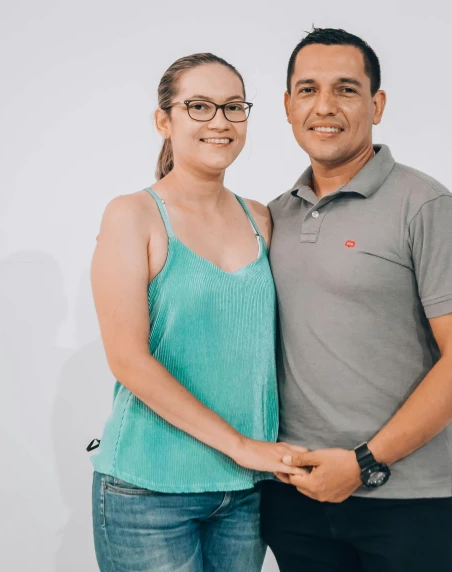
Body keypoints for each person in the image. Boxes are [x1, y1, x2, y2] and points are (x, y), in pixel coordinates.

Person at [260, 28, 452, 572]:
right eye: (307, 89)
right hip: (296, 499)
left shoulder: (426, 206)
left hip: (408, 502)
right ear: (288, 107)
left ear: (377, 103)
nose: (325, 106)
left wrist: (364, 463)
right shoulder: (274, 216)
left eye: (345, 89)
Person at [89, 52, 307, 572]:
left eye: (234, 108)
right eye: (200, 106)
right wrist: (241, 445)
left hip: (245, 492)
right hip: (148, 489)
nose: (220, 122)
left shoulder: (261, 218)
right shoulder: (133, 215)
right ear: (165, 120)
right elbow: (128, 361)